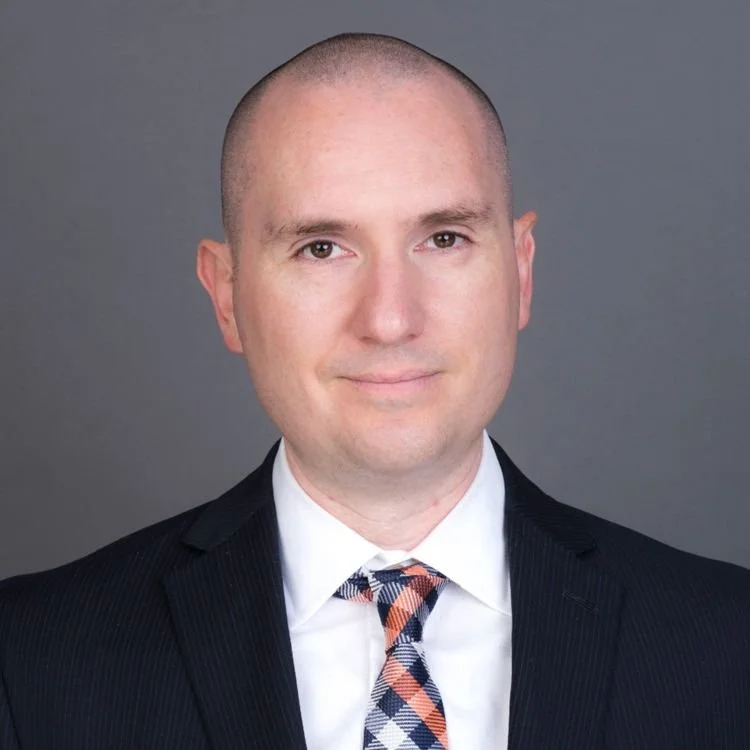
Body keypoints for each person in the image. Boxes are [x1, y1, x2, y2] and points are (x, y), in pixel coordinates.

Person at [0, 32, 748, 750]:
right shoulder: (29, 662)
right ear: (226, 294)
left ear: (520, 272)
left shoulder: (728, 647)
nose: (390, 319)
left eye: (445, 239)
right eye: (321, 248)